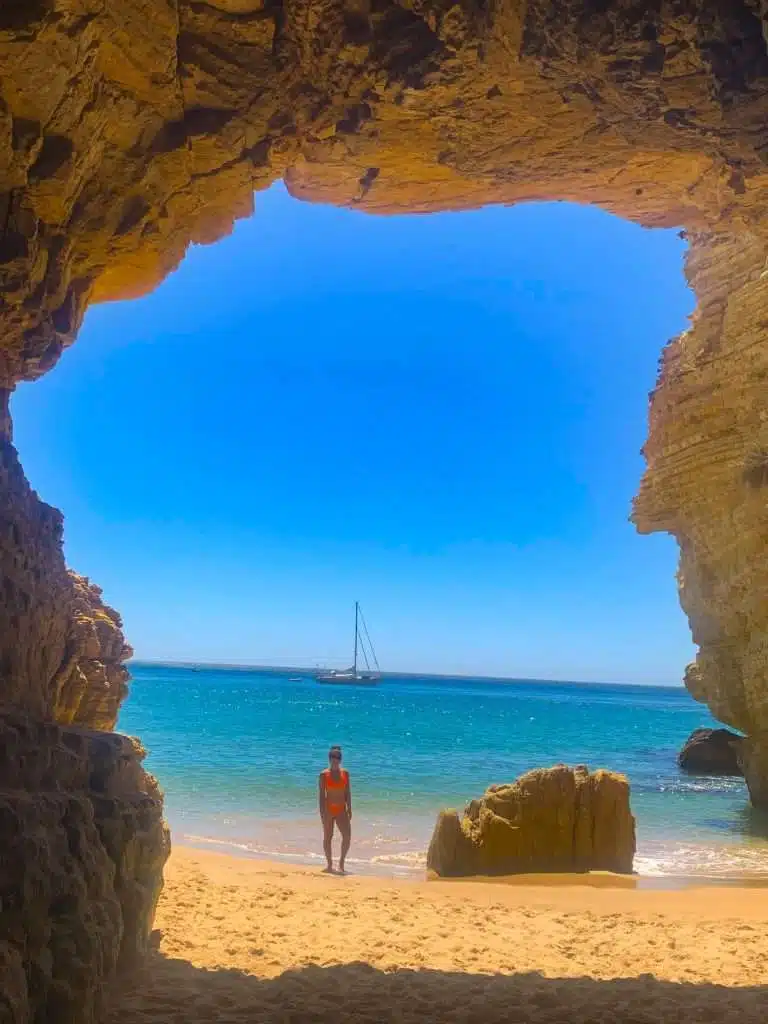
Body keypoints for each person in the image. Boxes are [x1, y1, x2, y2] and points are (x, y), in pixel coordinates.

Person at [318, 745, 352, 873]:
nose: (335, 759)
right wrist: (322, 812)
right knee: (328, 837)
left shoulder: (345, 773)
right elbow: (322, 795)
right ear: (329, 758)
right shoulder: (323, 775)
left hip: (342, 809)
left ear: (340, 759)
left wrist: (350, 807)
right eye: (333, 757)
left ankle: (341, 863)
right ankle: (329, 865)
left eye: (338, 757)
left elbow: (348, 792)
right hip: (328, 809)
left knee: (347, 836)